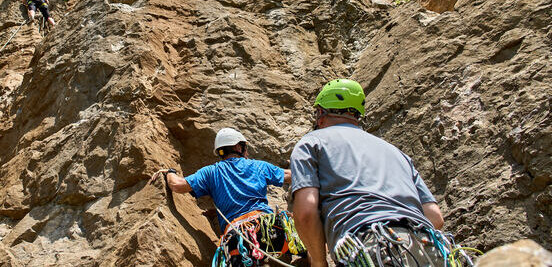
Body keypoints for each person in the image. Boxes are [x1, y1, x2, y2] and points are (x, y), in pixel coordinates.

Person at [290, 78, 462, 267]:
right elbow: (435, 217)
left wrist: (319, 262)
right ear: (356, 115)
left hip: (371, 247)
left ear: (321, 114)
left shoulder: (311, 142)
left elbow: (306, 212)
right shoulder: (397, 153)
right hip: (429, 248)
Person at [159, 128, 306, 266]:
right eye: (245, 147)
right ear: (238, 147)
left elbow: (177, 185)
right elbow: (290, 176)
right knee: (308, 239)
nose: (247, 152)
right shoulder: (257, 166)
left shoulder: (211, 172)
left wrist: (170, 172)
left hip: (237, 239)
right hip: (268, 229)